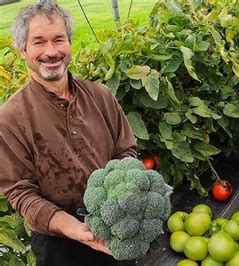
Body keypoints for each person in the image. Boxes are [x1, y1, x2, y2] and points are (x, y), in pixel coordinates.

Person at [0, 2, 137, 265]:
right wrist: (73, 227)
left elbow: (125, 151)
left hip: (116, 227)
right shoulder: (10, 119)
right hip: (58, 245)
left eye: (59, 39)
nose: (51, 52)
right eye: (38, 42)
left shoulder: (101, 96)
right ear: (22, 50)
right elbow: (20, 193)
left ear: (70, 43)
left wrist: (121, 200)